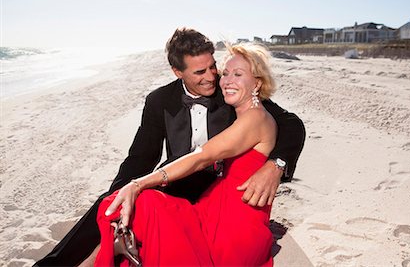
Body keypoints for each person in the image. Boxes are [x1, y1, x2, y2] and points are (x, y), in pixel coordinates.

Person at [34, 28, 305, 266]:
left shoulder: (232, 88)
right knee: (113, 202)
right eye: (199, 72)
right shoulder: (160, 100)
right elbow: (141, 156)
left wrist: (276, 164)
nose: (212, 77)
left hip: (217, 191)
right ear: (178, 72)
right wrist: (124, 187)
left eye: (213, 67)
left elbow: (290, 124)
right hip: (180, 182)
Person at [95, 42, 280, 266]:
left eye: (238, 74)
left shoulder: (255, 118)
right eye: (226, 73)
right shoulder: (246, 113)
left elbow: (202, 156)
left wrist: (138, 183)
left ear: (257, 83)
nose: (227, 80)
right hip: (213, 209)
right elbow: (140, 156)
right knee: (137, 206)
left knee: (142, 205)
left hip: (233, 228)